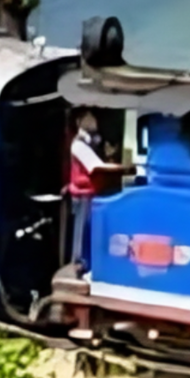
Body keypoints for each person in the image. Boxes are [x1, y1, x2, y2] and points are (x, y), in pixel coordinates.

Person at [67, 110, 108, 271]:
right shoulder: (79, 144)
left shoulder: (92, 141)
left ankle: (86, 261)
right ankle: (78, 263)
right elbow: (95, 166)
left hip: (90, 192)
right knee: (81, 230)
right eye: (88, 118)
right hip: (81, 193)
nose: (93, 121)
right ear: (79, 121)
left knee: (89, 229)